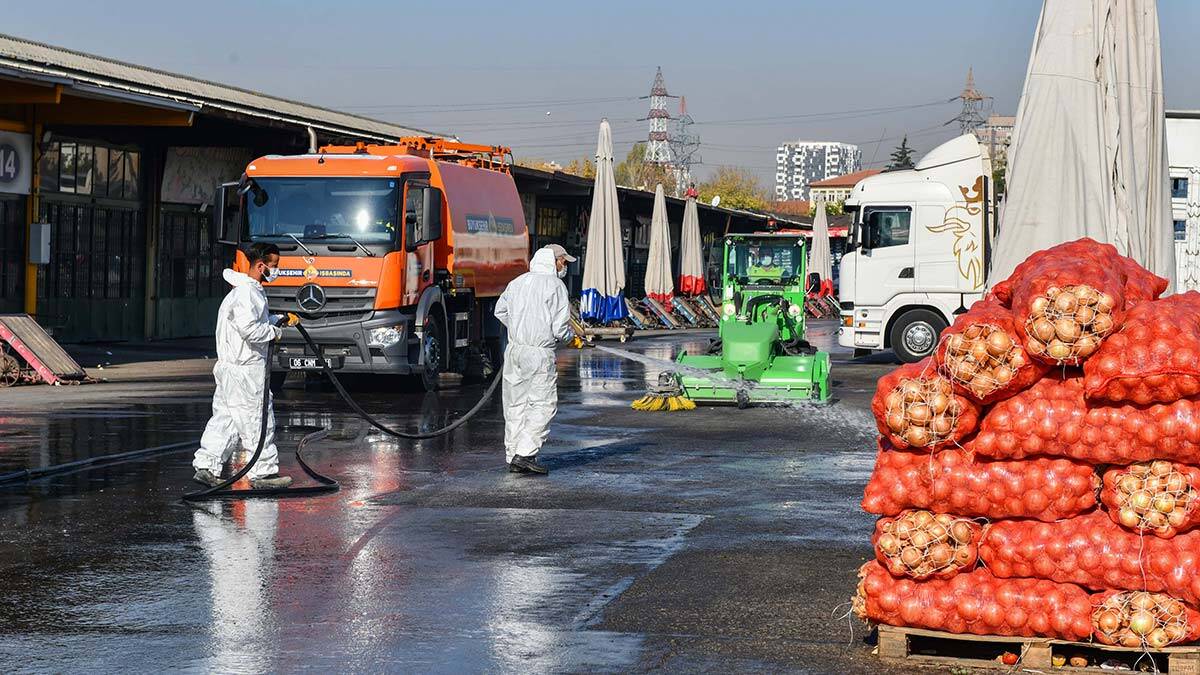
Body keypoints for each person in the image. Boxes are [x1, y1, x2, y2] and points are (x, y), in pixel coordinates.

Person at [192, 242, 299, 489]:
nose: (276, 270)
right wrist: (274, 332)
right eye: (274, 266)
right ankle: (263, 474)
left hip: (232, 368)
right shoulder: (247, 293)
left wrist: (279, 319)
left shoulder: (244, 291)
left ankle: (207, 466)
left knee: (226, 420)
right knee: (257, 420)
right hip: (246, 370)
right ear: (261, 266)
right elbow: (250, 330)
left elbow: (253, 321)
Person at [494, 244, 578, 475]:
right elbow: (560, 328)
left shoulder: (517, 282)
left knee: (515, 404)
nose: (564, 266)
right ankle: (525, 453)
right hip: (539, 353)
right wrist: (570, 338)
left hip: (515, 350)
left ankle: (513, 454)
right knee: (543, 404)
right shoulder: (555, 286)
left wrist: (519, 329)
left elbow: (500, 311)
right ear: (553, 260)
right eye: (563, 261)